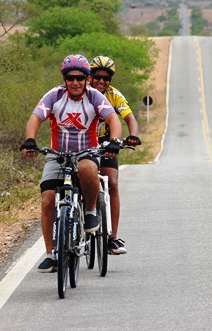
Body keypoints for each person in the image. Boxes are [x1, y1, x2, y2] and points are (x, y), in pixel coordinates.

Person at [20, 54, 123, 273]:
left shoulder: (95, 97)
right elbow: (36, 117)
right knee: (48, 200)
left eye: (80, 78)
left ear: (87, 79)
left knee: (87, 168)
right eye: (70, 78)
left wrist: (114, 140)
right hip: (57, 154)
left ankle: (90, 212)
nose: (75, 82)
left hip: (87, 152)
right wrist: (30, 140)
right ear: (64, 79)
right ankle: (50, 255)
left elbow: (113, 118)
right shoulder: (54, 96)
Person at [89, 56, 141, 255]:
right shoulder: (81, 93)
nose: (102, 81)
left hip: (106, 145)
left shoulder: (114, 95)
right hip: (83, 144)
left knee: (112, 183)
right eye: (97, 76)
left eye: (106, 78)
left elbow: (130, 118)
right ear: (89, 76)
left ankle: (112, 238)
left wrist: (133, 135)